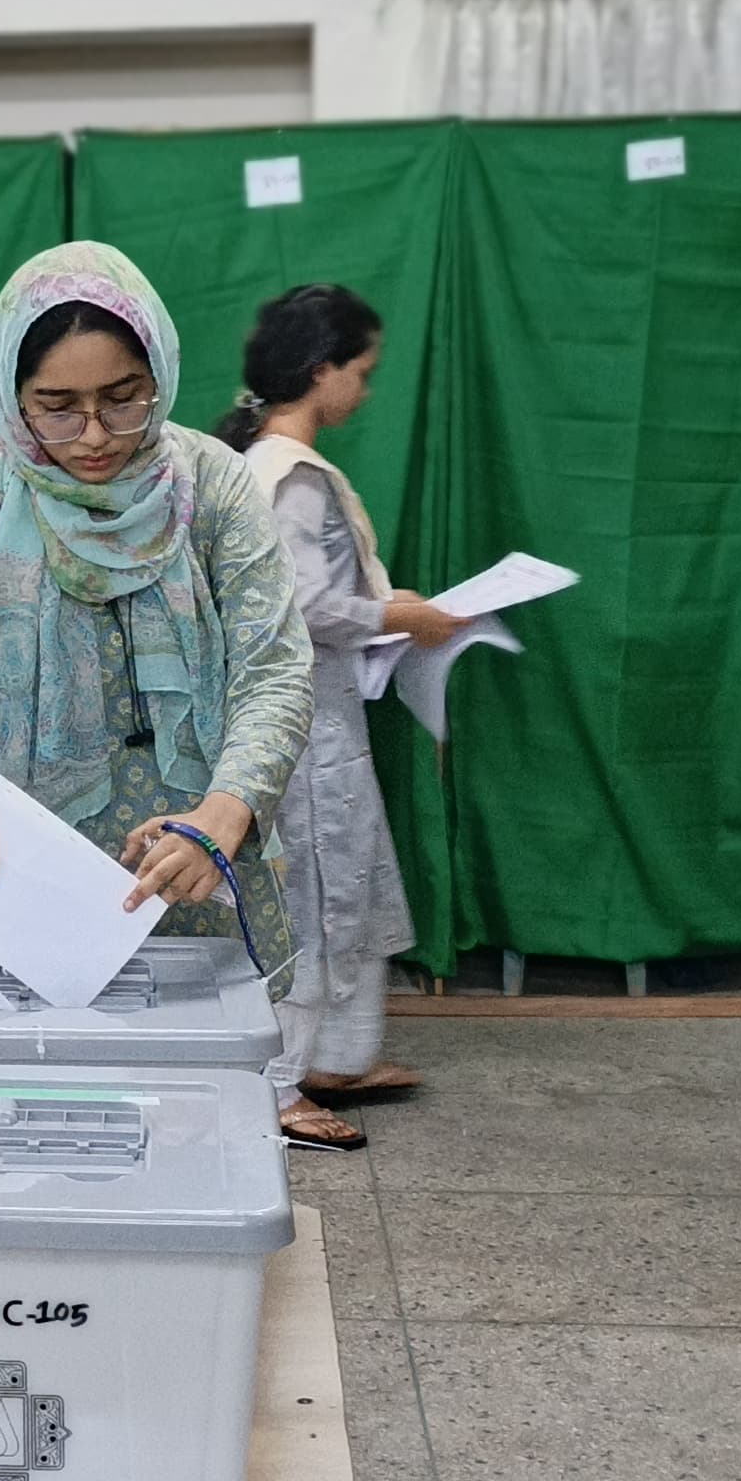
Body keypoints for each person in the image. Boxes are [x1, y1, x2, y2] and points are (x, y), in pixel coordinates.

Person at [0, 241, 352, 1147]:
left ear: (160, 375)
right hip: (17, 892)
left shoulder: (210, 487)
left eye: (124, 397)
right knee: (23, 1137)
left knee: (189, 1136)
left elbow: (274, 668)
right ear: (14, 399)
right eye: (57, 408)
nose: (94, 436)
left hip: (191, 869)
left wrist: (226, 809)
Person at [216, 285, 460, 1111]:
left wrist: (392, 608)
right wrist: (402, 615)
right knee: (314, 898)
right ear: (321, 372)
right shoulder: (294, 477)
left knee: (338, 887)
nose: (365, 388)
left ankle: (335, 1061)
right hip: (303, 728)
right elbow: (306, 608)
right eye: (362, 370)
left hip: (310, 719)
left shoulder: (262, 466)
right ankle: (278, 1091)